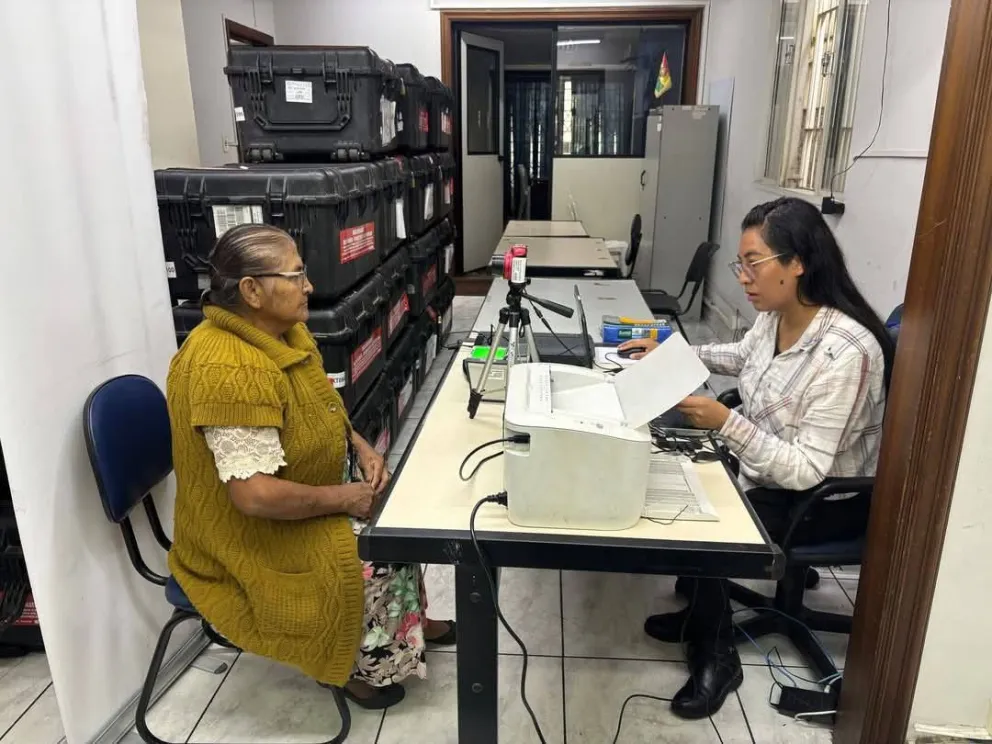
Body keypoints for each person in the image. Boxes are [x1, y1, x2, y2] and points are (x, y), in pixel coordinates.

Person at [619, 197, 893, 719]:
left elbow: (806, 470)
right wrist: (672, 352)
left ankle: (716, 654)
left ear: (799, 263)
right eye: (738, 264)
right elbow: (741, 354)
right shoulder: (779, 315)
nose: (743, 278)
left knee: (700, 521)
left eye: (754, 263)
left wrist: (726, 423)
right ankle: (703, 609)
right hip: (770, 472)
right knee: (678, 467)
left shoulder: (846, 351)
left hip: (820, 501)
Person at [166, 224, 455, 710]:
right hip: (248, 535)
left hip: (299, 490)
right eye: (296, 275)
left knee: (399, 513)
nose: (309, 286)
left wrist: (362, 449)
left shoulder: (282, 332)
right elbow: (253, 497)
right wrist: (345, 497)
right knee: (372, 550)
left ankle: (408, 624)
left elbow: (324, 408)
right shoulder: (227, 368)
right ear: (252, 290)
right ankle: (355, 667)